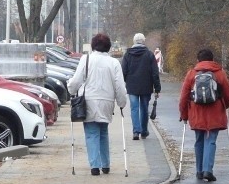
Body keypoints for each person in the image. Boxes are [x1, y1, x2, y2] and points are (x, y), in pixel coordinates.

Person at [68, 33, 129, 176]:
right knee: (103, 132)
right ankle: (105, 164)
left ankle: (95, 166)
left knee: (91, 133)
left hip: (89, 101)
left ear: (93, 45)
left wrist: (70, 88)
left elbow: (76, 80)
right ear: (108, 47)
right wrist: (121, 102)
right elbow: (119, 85)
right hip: (107, 102)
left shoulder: (86, 59)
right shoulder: (114, 63)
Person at [178, 48, 229, 182]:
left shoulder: (192, 74)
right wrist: (224, 106)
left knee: (199, 140)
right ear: (212, 59)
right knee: (211, 140)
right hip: (215, 113)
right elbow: (228, 94)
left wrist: (184, 114)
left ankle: (199, 171)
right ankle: (208, 170)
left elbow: (183, 97)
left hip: (196, 113)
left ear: (198, 60)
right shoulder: (220, 73)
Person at [121, 33, 161, 140]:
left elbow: (123, 71)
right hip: (146, 86)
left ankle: (136, 131)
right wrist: (157, 88)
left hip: (132, 86)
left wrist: (125, 82)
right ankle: (144, 131)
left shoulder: (128, 54)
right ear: (143, 41)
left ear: (134, 41)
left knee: (134, 108)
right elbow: (155, 73)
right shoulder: (149, 55)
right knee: (144, 108)